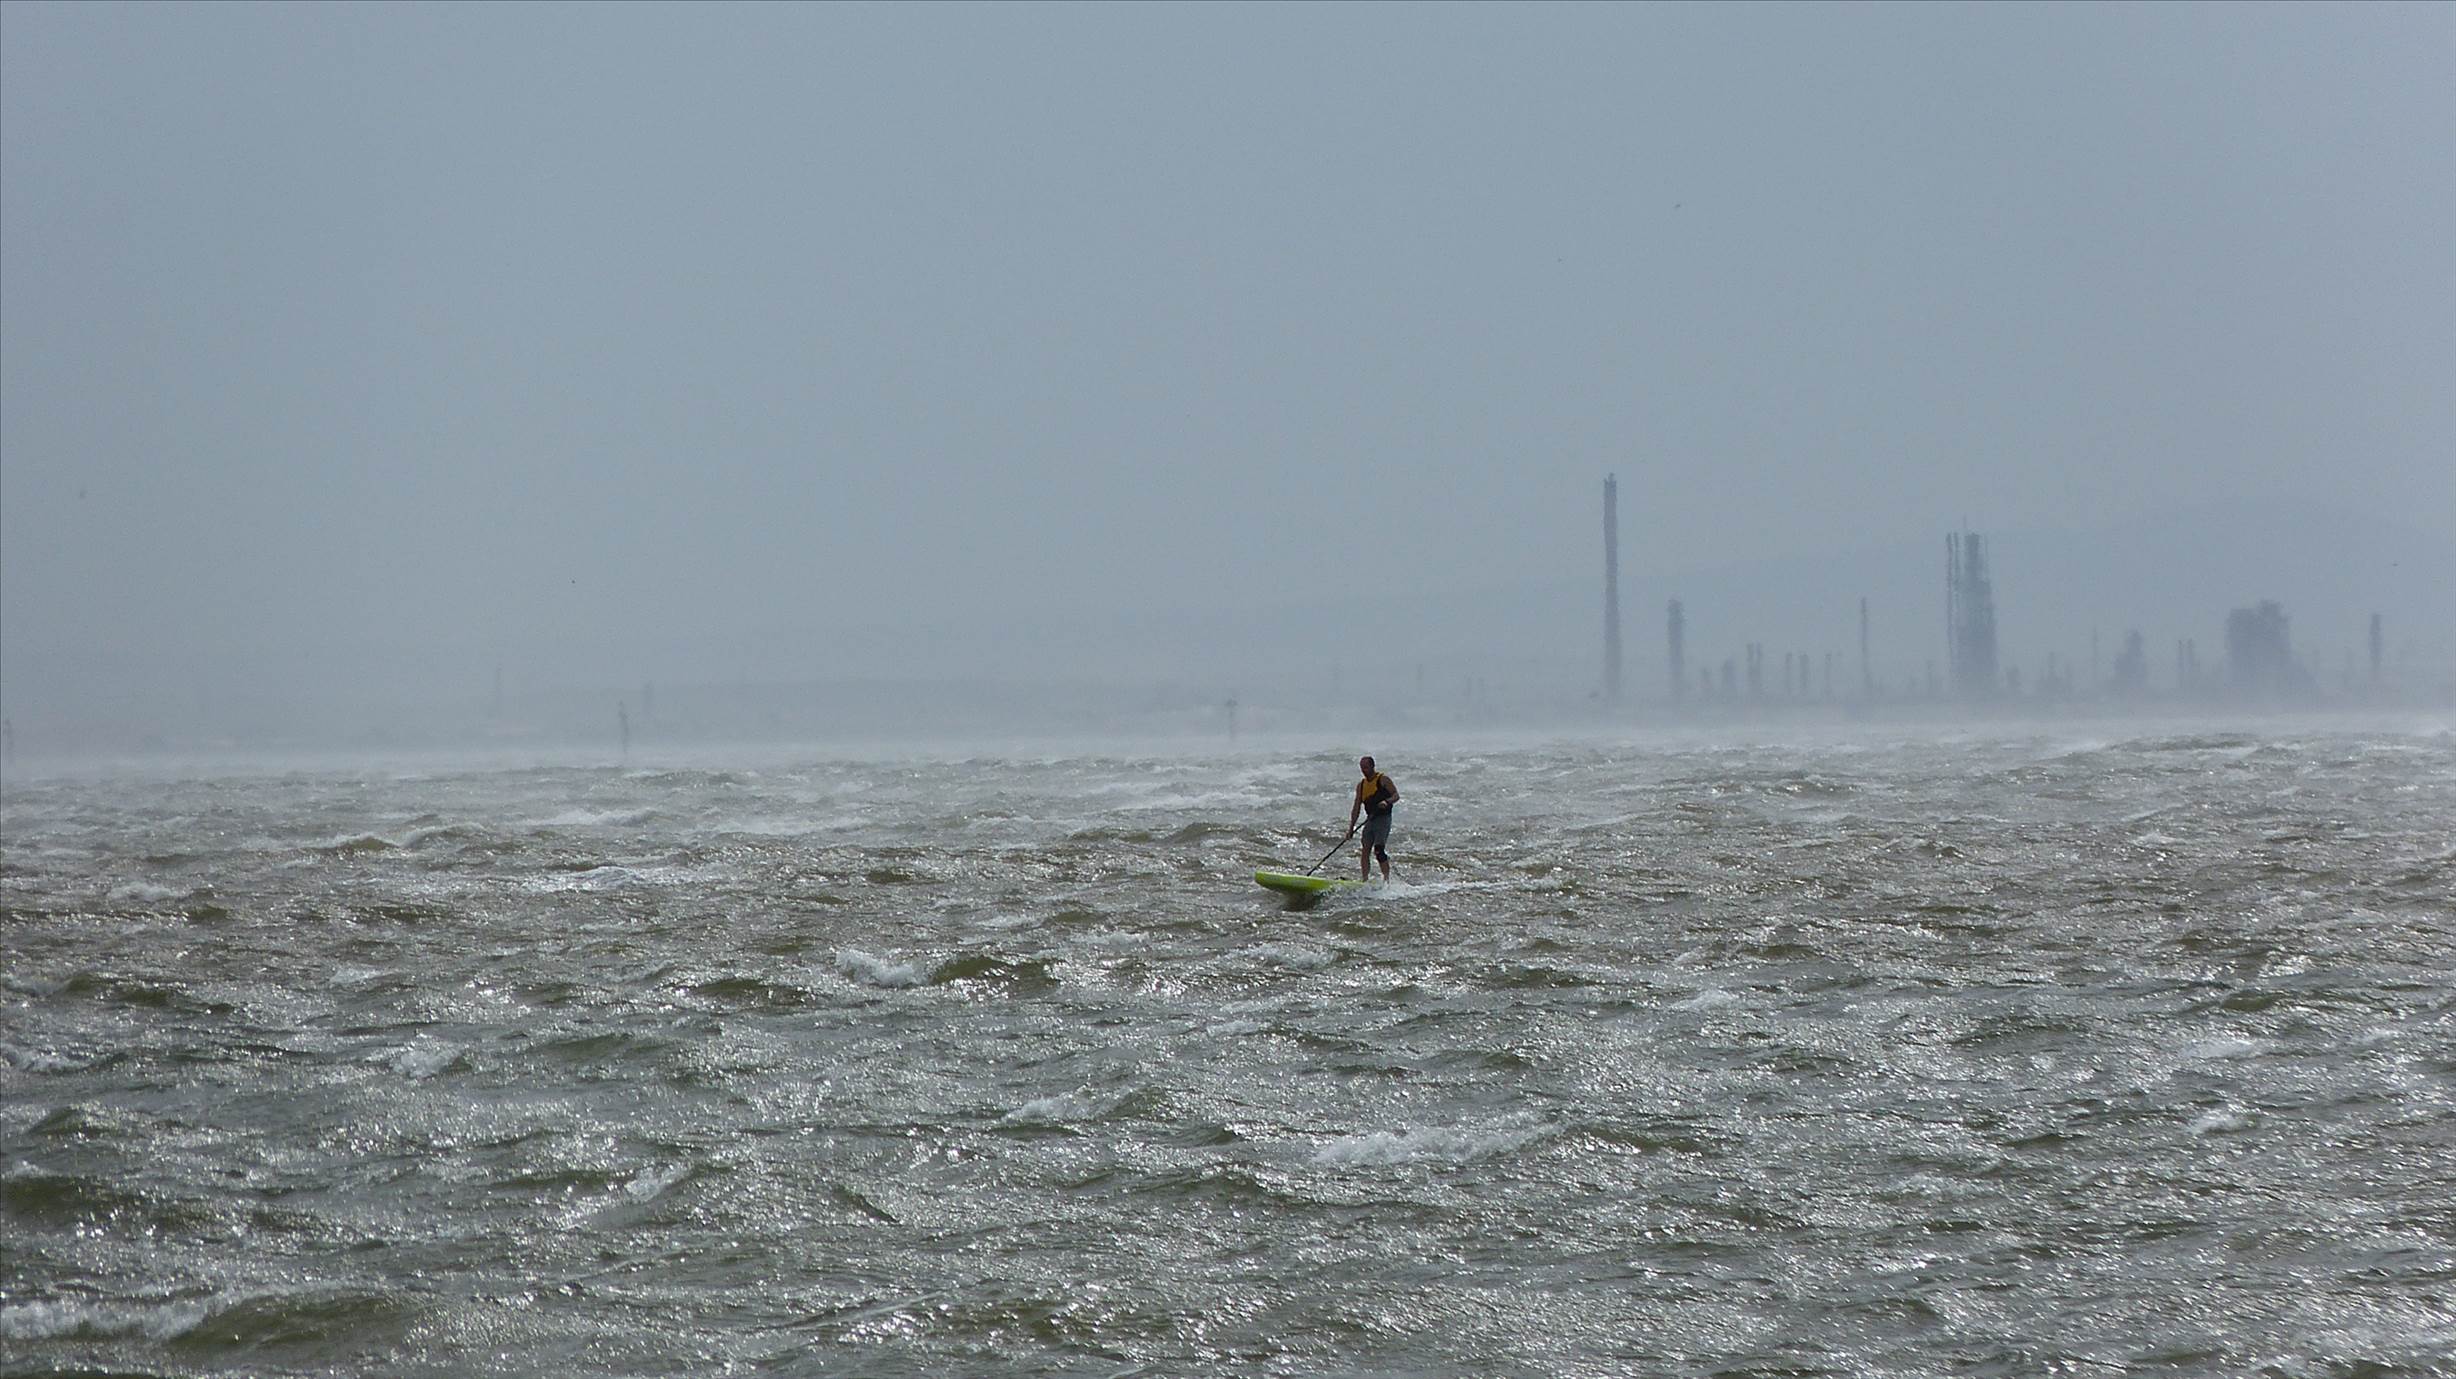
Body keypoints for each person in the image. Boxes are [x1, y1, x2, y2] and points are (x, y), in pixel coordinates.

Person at [1348, 755, 1399, 881]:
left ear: (1372, 766)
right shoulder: (1361, 785)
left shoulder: (1383, 779)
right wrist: (1351, 829)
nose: (1363, 770)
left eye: (1365, 767)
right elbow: (1356, 808)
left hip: (1383, 819)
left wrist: (1386, 802)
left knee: (1378, 850)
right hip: (1370, 820)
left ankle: (1386, 880)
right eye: (1361, 768)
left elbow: (1396, 796)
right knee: (1365, 849)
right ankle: (1364, 879)